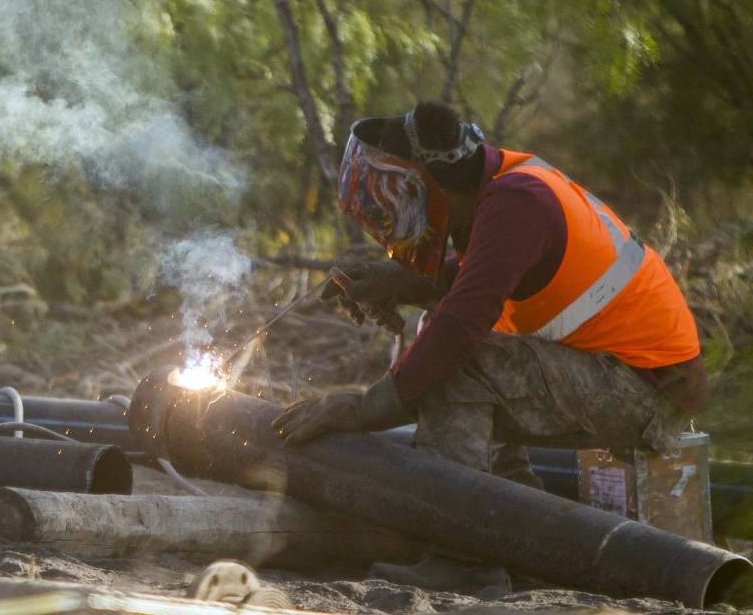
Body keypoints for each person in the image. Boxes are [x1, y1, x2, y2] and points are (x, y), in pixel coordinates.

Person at [272, 102, 706, 593]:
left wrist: (360, 408)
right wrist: (392, 280)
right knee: (463, 363)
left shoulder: (516, 203)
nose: (391, 214)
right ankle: (520, 544)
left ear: (431, 184)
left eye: (398, 196)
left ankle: (465, 558)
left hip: (642, 389)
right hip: (629, 375)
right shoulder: (506, 187)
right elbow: (476, 278)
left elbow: (461, 325)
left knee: (459, 364)